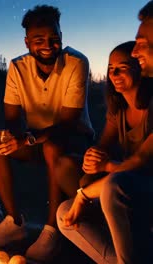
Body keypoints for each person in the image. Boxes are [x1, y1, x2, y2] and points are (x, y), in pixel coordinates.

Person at [0, 5, 94, 262]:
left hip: (75, 138)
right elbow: (12, 119)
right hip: (33, 138)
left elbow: (68, 123)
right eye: (39, 40)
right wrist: (10, 138)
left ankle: (51, 230)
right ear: (27, 42)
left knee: (52, 145)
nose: (48, 45)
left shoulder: (77, 62)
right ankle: (14, 222)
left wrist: (27, 138)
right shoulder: (17, 67)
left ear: (61, 36)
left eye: (54, 38)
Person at [57, 2, 153, 262]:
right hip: (129, 184)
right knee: (64, 212)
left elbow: (139, 163)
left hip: (140, 186)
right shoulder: (119, 110)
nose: (115, 73)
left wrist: (92, 184)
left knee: (113, 185)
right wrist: (93, 158)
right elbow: (103, 147)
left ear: (138, 68)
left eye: (123, 66)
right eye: (111, 68)